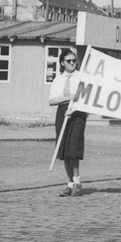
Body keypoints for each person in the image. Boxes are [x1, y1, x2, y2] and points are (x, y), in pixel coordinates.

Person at [48, 48, 86, 197]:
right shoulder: (58, 79)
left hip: (77, 113)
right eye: (68, 61)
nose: (72, 63)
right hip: (63, 111)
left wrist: (74, 108)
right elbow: (51, 101)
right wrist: (67, 99)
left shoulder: (81, 77)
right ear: (62, 63)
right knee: (63, 148)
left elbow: (85, 97)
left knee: (73, 148)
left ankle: (77, 182)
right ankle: (69, 183)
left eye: (74, 60)